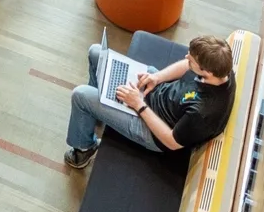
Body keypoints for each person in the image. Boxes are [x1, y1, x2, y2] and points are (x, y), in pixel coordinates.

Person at [63, 34, 237, 170]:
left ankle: (83, 150)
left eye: (191, 60)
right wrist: (156, 77)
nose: (186, 57)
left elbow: (171, 141)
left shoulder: (203, 113)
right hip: (155, 92)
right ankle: (95, 110)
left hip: (150, 129)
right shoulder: (222, 70)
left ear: (206, 71)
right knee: (96, 52)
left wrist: (138, 104)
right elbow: (186, 65)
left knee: (81, 96)